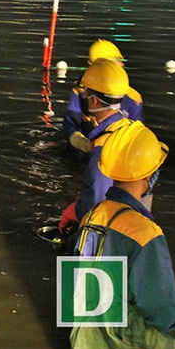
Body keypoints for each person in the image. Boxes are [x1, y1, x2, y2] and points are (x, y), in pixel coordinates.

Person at [71, 121, 175, 349]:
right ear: (149, 175)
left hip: (85, 347)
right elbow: (162, 311)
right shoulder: (144, 232)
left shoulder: (91, 216)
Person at [59, 58, 133, 237]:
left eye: (86, 93)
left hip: (109, 229)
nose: (82, 96)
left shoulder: (103, 147)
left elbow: (96, 199)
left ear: (93, 101)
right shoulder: (131, 129)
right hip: (133, 220)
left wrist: (73, 212)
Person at [63, 39, 144, 154]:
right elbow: (70, 125)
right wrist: (83, 144)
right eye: (116, 60)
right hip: (84, 152)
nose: (121, 64)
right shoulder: (80, 93)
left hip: (115, 152)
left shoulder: (133, 98)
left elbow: (137, 133)